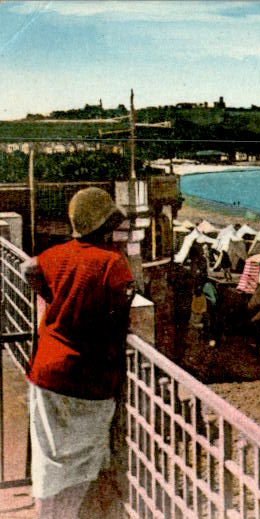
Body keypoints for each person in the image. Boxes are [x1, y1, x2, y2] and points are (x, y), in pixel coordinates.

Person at [22, 187, 134, 519]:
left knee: (48, 464)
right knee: (81, 470)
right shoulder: (113, 263)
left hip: (44, 373)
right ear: (106, 227)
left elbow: (29, 268)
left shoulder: (56, 254)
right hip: (89, 381)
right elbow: (122, 304)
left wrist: (52, 293)